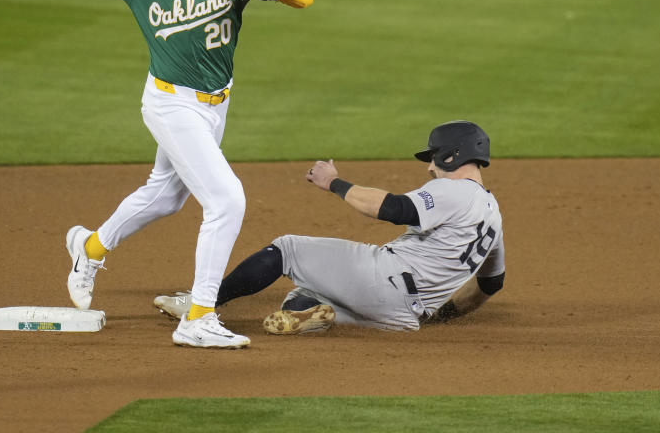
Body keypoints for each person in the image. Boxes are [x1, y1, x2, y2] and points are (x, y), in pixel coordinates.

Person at [55, 0, 314, 348]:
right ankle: (198, 317)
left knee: (166, 196)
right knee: (227, 200)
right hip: (170, 103)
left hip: (216, 105)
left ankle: (89, 248)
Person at [154, 121, 505, 335]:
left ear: (451, 156)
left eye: (433, 157)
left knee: (288, 249)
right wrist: (439, 314)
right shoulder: (493, 216)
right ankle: (309, 314)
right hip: (404, 316)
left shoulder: (454, 190)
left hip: (386, 278)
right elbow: (491, 283)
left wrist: (333, 183)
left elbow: (394, 208)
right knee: (304, 292)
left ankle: (201, 304)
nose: (429, 167)